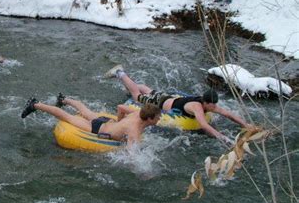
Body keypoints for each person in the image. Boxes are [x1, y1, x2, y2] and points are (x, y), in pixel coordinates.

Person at [104, 65, 250, 145]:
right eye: (211, 106)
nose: (214, 109)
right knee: (137, 95)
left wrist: (246, 125)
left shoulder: (209, 104)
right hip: (161, 102)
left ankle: (130, 81)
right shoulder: (197, 107)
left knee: (147, 91)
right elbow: (204, 125)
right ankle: (119, 72)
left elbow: (228, 114)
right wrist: (223, 137)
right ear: (205, 103)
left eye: (214, 106)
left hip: (168, 98)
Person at [20, 94, 161, 147]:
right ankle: (35, 104)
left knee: (84, 110)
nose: (160, 118)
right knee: (66, 117)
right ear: (149, 118)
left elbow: (120, 107)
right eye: (158, 116)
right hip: (97, 129)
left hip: (105, 122)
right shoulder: (134, 131)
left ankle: (64, 99)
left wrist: (119, 122)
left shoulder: (137, 113)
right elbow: (132, 156)